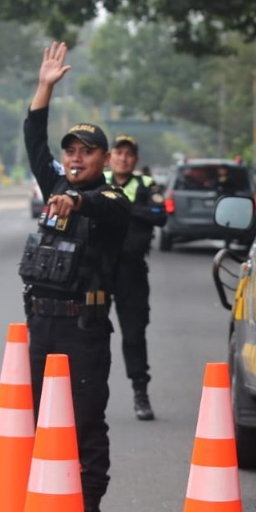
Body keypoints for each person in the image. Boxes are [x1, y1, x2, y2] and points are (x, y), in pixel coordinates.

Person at [21, 41, 130, 512]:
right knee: (40, 421)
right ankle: (44, 506)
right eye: (71, 151)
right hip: (42, 323)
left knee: (85, 423)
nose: (75, 157)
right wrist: (44, 86)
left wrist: (74, 201)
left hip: (84, 329)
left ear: (104, 159)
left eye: (86, 152)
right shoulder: (54, 184)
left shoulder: (109, 197)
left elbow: (101, 207)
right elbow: (33, 142)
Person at [106, 134, 167, 421]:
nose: (123, 158)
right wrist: (135, 212)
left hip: (132, 272)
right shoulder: (99, 181)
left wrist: (123, 208)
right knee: (89, 332)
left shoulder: (146, 185)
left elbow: (159, 215)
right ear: (110, 157)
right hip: (100, 270)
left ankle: (140, 393)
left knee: (134, 334)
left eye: (129, 154)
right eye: (118, 153)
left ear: (135, 160)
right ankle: (85, 392)